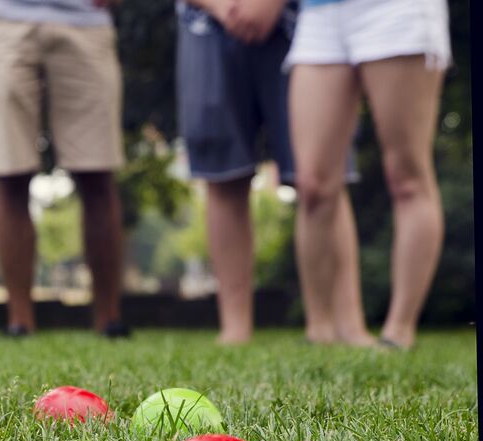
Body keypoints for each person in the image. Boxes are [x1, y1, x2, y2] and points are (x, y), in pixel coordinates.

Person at [176, 0, 373, 345]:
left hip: (299, 20)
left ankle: (346, 324)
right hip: (204, 22)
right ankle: (235, 328)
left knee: (323, 179)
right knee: (223, 177)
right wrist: (222, 7)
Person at [286, 0, 450, 350]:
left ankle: (398, 332)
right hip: (319, 12)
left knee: (406, 177)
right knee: (313, 184)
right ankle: (319, 330)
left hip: (394, 10)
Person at [0, 0, 129, 337]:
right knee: (9, 173)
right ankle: (19, 322)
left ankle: (109, 320)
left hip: (86, 19)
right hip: (1, 19)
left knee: (97, 172)